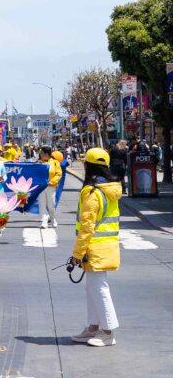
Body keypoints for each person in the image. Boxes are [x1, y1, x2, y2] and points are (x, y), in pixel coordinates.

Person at [70, 147, 122, 347]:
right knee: (93, 287)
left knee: (99, 288)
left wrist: (77, 252)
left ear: (87, 166)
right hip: (106, 246)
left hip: (95, 247)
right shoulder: (110, 189)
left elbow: (87, 227)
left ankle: (108, 332)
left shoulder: (93, 193)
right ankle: (93, 327)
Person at [39, 146, 61, 228]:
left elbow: (58, 174)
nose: (40, 155)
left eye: (41, 153)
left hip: (51, 187)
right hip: (41, 187)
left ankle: (52, 218)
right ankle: (44, 222)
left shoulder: (55, 162)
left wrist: (52, 182)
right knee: (42, 205)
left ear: (46, 154)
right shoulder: (39, 162)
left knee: (51, 205)